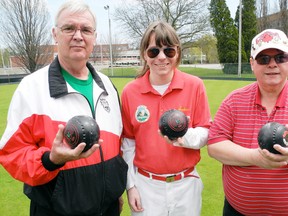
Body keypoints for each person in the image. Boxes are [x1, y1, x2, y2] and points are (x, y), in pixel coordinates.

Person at [0, 0, 127, 215]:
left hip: (108, 208)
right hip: (56, 210)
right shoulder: (32, 87)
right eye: (69, 28)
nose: (78, 35)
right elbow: (11, 154)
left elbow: (118, 146)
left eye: (86, 29)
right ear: (55, 34)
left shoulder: (107, 86)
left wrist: (114, 192)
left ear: (94, 38)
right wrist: (51, 160)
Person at [121, 20, 211, 216]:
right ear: (145, 54)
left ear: (177, 52)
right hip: (146, 185)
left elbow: (206, 132)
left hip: (186, 184)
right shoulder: (130, 91)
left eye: (168, 51)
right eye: (154, 51)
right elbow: (128, 143)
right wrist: (131, 186)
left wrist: (183, 138)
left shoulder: (195, 85)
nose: (161, 57)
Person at [207, 28, 288, 216]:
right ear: (252, 64)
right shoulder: (234, 100)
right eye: (263, 59)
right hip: (237, 211)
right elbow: (215, 145)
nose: (272, 65)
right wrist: (255, 158)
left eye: (280, 58)